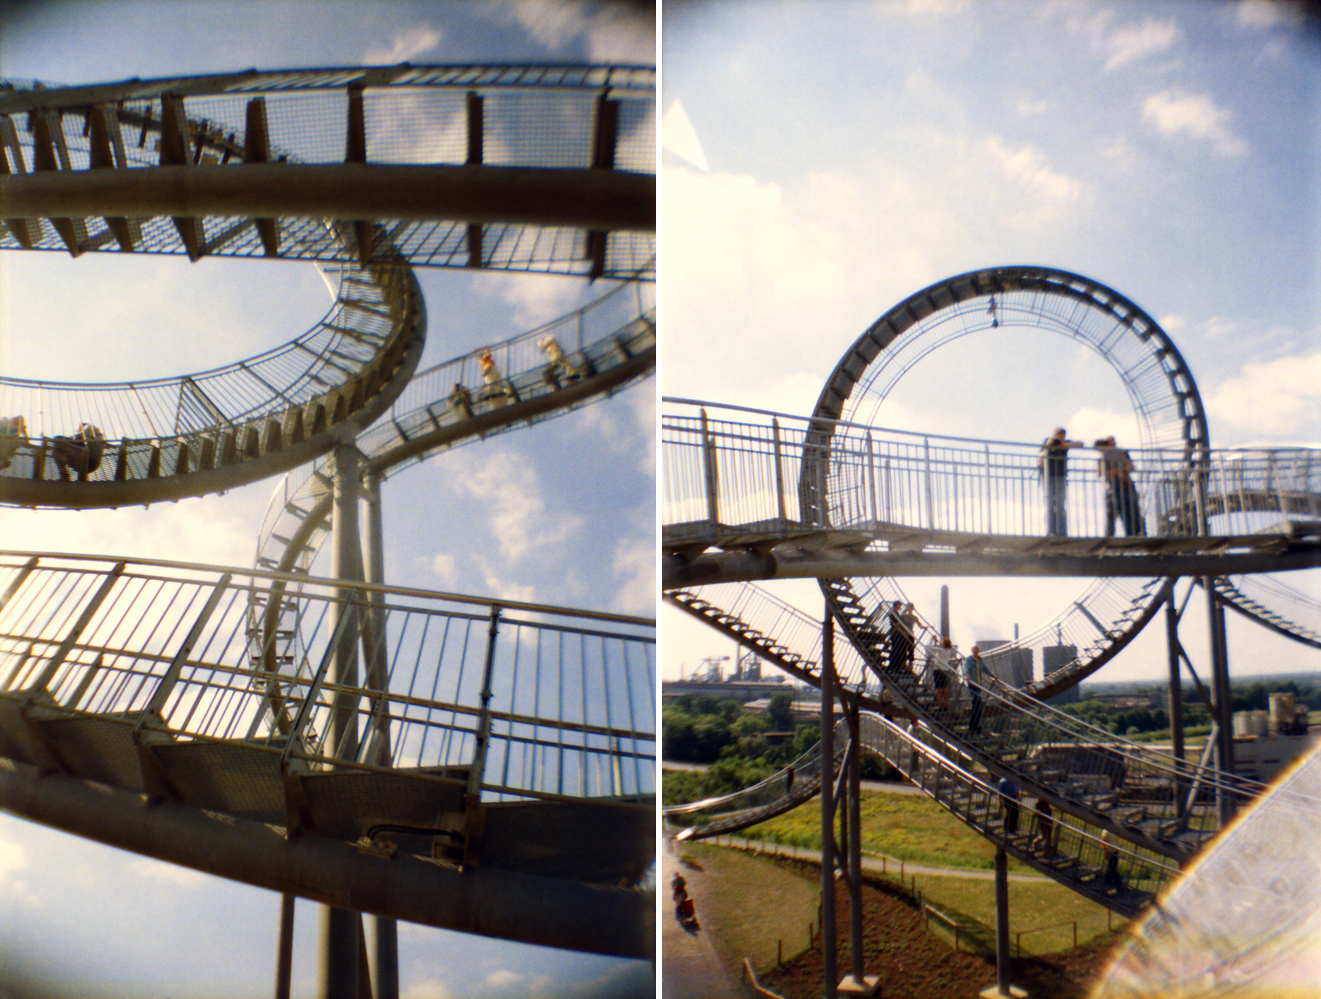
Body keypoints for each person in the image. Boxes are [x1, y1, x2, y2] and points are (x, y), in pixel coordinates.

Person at [1038, 428, 1083, 537]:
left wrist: (1064, 445)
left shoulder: (1065, 443)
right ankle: (1050, 531)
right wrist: (1050, 445)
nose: (1060, 437)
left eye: (1062, 435)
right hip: (1048, 476)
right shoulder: (1047, 442)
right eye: (1058, 435)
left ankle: (1062, 532)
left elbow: (1080, 444)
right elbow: (1040, 459)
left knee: (1060, 505)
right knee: (1049, 504)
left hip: (1060, 477)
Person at [1096, 436, 1145, 537]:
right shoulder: (1104, 457)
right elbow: (1102, 473)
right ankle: (1113, 536)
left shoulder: (1122, 453)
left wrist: (1119, 471)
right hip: (1114, 486)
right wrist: (1119, 471)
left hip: (1126, 484)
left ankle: (1136, 533)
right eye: (1111, 443)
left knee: (1132, 510)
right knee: (1117, 512)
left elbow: (1131, 467)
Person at [962, 645, 985, 733]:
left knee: (978, 705)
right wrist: (967, 676)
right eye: (975, 649)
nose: (976, 650)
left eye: (977, 649)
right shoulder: (969, 659)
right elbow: (966, 668)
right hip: (972, 684)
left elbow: (984, 668)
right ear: (972, 651)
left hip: (979, 685)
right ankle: (972, 726)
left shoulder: (980, 659)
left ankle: (975, 726)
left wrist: (993, 675)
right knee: (977, 702)